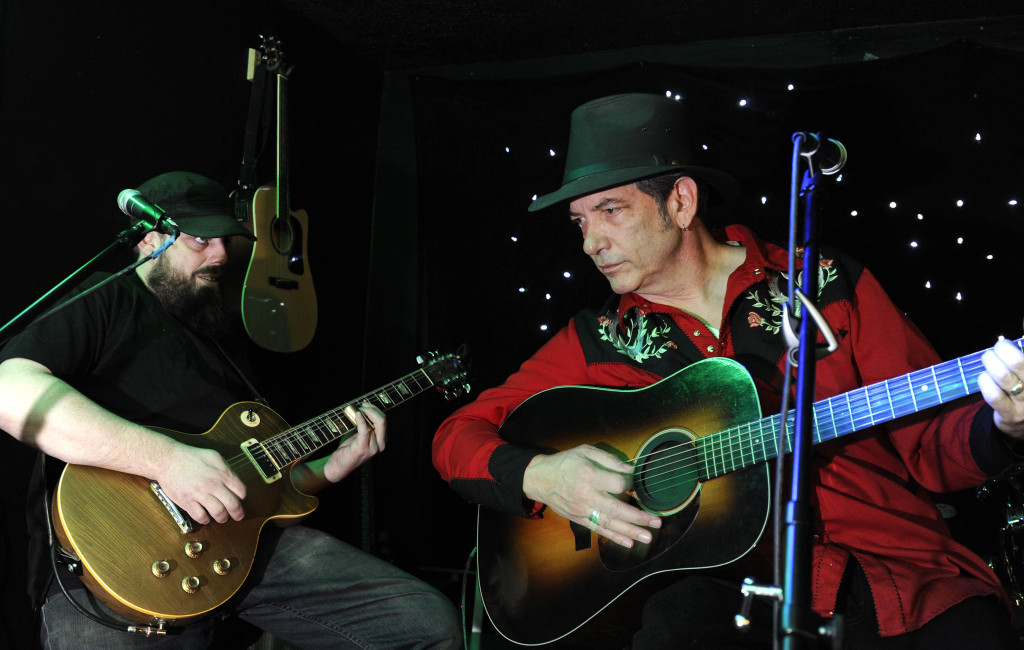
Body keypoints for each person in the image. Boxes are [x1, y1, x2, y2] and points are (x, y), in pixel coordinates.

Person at [432, 93, 1024, 648]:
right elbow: (456, 436)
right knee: (677, 621)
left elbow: (933, 448)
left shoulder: (826, 283)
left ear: (681, 202)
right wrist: (543, 476)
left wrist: (1006, 424)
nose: (590, 242)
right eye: (580, 222)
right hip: (735, 597)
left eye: (609, 210)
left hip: (896, 573)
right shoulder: (597, 339)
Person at [0, 171, 461, 649]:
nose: (219, 253)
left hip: (239, 552)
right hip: (112, 564)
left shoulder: (218, 332)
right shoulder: (106, 297)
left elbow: (249, 481)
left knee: (427, 623)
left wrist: (328, 468)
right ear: (149, 239)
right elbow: (10, 392)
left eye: (224, 238)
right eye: (200, 238)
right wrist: (168, 460)